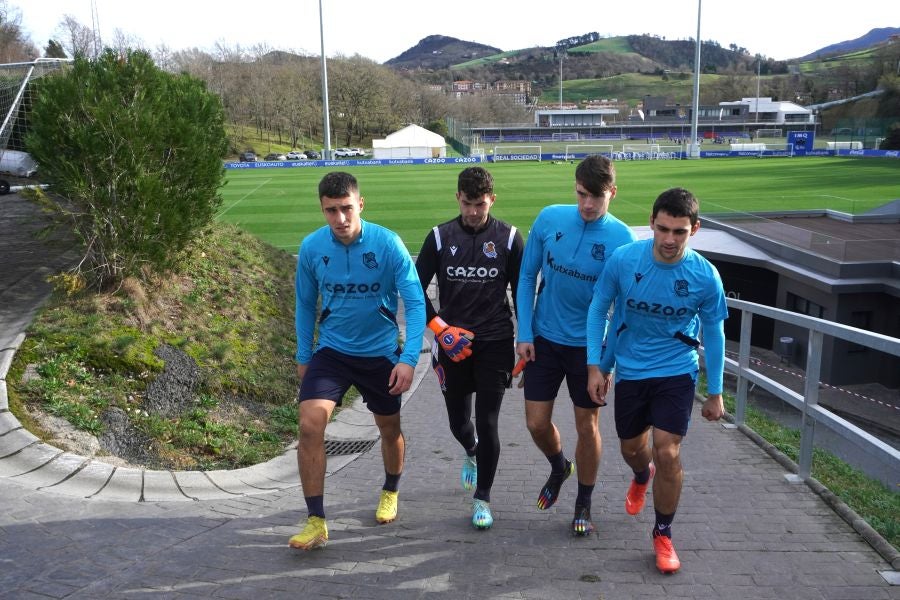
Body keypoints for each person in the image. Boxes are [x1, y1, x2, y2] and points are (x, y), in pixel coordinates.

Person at [586, 187, 728, 573]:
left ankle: (663, 533)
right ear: (651, 223)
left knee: (667, 451)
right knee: (633, 449)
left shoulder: (705, 276)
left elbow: (715, 333)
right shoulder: (624, 260)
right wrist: (596, 366)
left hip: (676, 370)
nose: (669, 239)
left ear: (694, 229)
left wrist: (715, 392)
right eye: (663, 229)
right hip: (631, 369)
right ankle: (640, 474)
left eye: (679, 231)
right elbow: (600, 308)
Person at [290, 171, 426, 551]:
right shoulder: (313, 247)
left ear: (360, 204)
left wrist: (409, 359)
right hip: (332, 353)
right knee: (310, 425)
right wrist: (304, 355)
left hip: (380, 354)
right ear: (322, 210)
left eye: (346, 208)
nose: (340, 218)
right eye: (331, 210)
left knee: (389, 428)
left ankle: (390, 489)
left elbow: (416, 303)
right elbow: (305, 305)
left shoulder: (388, 243)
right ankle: (316, 520)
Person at [515, 154, 637, 535]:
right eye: (582, 194)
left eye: (596, 197)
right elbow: (526, 277)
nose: (587, 204)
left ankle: (584, 501)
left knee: (587, 426)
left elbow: (622, 311)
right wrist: (524, 333)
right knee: (536, 423)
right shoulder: (549, 218)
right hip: (544, 339)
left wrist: (606, 363)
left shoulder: (623, 240)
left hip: (589, 351)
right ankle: (559, 466)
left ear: (613, 193)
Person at [415, 166, 524, 530]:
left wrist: (526, 339)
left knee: (488, 420)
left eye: (481, 204)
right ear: (457, 199)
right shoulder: (439, 237)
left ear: (492, 199)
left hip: (495, 341)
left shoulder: (509, 238)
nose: (474, 212)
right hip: (452, 343)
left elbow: (522, 293)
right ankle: (470, 449)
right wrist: (440, 329)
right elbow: (414, 290)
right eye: (467, 204)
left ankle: (483, 498)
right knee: (459, 423)